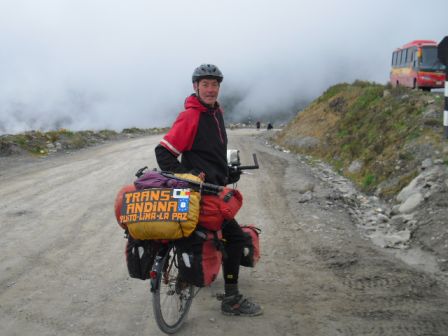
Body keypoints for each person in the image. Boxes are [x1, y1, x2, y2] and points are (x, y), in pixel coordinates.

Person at [154, 64, 263, 317]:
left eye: (214, 84)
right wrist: (188, 175)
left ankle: (191, 273)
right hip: (201, 196)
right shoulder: (191, 116)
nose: (211, 89)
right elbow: (163, 152)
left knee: (202, 236)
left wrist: (226, 172)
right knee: (235, 238)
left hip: (212, 187)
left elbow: (209, 154)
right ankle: (232, 300)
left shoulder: (215, 113)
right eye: (205, 84)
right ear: (195, 87)